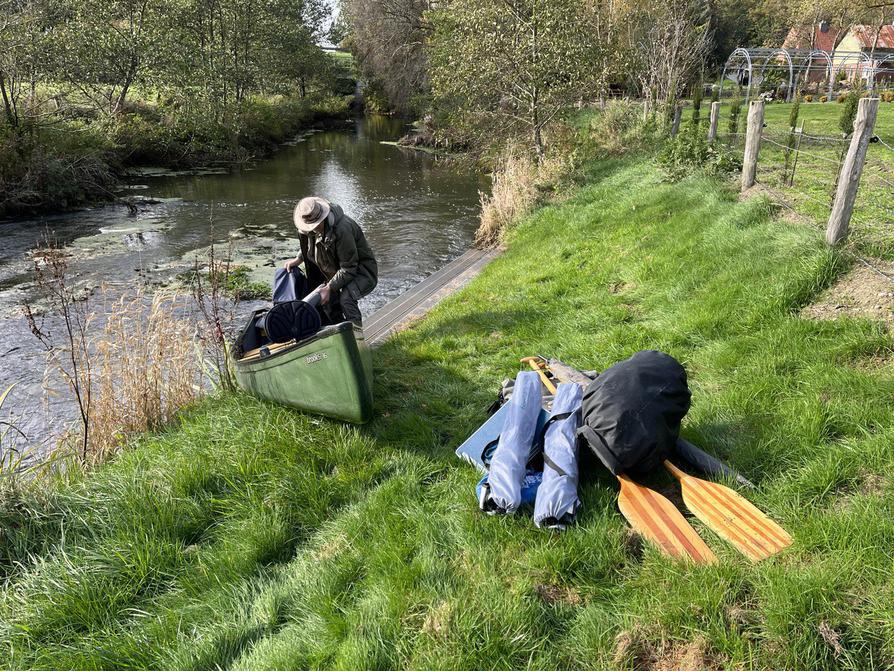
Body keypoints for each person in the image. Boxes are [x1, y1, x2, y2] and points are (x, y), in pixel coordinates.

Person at [284, 196, 378, 325]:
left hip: (361, 271)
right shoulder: (311, 229)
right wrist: (299, 258)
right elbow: (310, 245)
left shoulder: (343, 230)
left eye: (316, 225)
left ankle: (356, 338)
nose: (313, 229)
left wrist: (329, 287)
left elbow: (349, 268)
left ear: (323, 216)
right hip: (335, 270)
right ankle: (339, 333)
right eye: (310, 227)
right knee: (326, 302)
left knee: (346, 299)